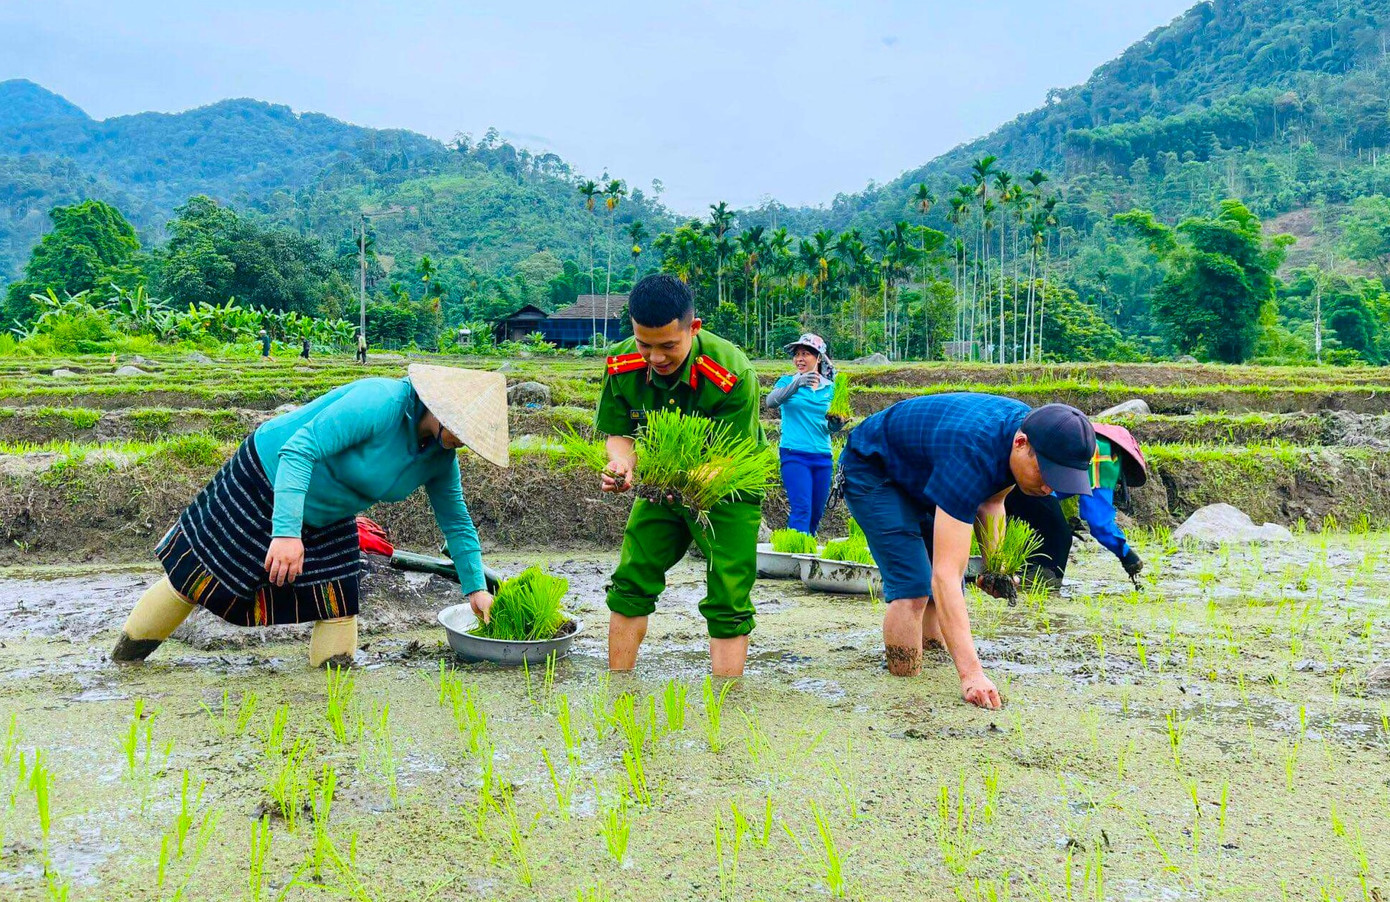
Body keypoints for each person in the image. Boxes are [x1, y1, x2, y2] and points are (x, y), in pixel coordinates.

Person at [111, 365, 509, 667]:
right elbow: (298, 451)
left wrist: (475, 588)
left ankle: (331, 696)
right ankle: (124, 663)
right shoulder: (380, 403)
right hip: (269, 477)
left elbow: (456, 522)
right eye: (461, 430)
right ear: (440, 407)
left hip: (332, 510)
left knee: (338, 601)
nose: (462, 442)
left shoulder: (440, 458)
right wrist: (285, 533)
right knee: (196, 578)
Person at [839, 394, 1095, 708]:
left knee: (941, 586)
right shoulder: (972, 452)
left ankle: (931, 659)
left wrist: (995, 568)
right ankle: (904, 694)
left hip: (922, 469)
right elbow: (945, 577)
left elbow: (992, 502)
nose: (1048, 489)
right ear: (1021, 444)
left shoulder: (1032, 431)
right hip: (873, 468)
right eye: (1046, 475)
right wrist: (972, 674)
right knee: (914, 587)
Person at [593, 273, 764, 677]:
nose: (655, 358)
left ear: (693, 328)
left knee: (728, 595)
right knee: (630, 582)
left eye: (668, 345)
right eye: (644, 344)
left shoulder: (729, 371)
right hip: (661, 485)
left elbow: (732, 456)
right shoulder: (621, 365)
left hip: (727, 486)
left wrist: (691, 479)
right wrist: (622, 465)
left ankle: (726, 704)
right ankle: (618, 687)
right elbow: (620, 434)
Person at [1004, 421, 1147, 586]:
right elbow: (1098, 521)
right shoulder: (1101, 451)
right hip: (1028, 492)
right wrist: (1127, 555)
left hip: (1010, 483)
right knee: (1057, 539)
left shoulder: (1065, 433)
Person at [766, 333, 836, 536]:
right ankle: (795, 560)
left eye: (805, 354)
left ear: (819, 357)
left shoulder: (830, 389)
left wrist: (836, 425)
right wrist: (798, 384)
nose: (800, 359)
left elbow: (829, 427)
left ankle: (807, 558)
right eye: (797, 354)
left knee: (815, 514)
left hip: (823, 456)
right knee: (802, 509)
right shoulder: (787, 383)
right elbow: (771, 401)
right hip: (794, 454)